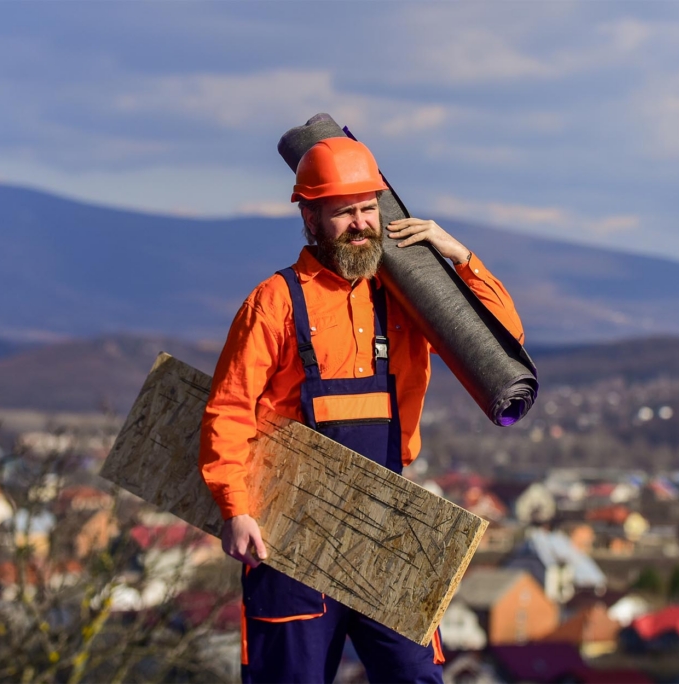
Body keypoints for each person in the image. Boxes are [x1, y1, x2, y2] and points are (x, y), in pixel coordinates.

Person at [199, 136, 525, 683]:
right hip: (287, 529)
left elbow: (502, 342)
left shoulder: (407, 295)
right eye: (343, 212)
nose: (360, 224)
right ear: (309, 216)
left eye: (368, 207)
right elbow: (228, 411)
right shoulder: (273, 303)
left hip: (387, 526)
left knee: (415, 677)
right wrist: (235, 509)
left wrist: (458, 256)